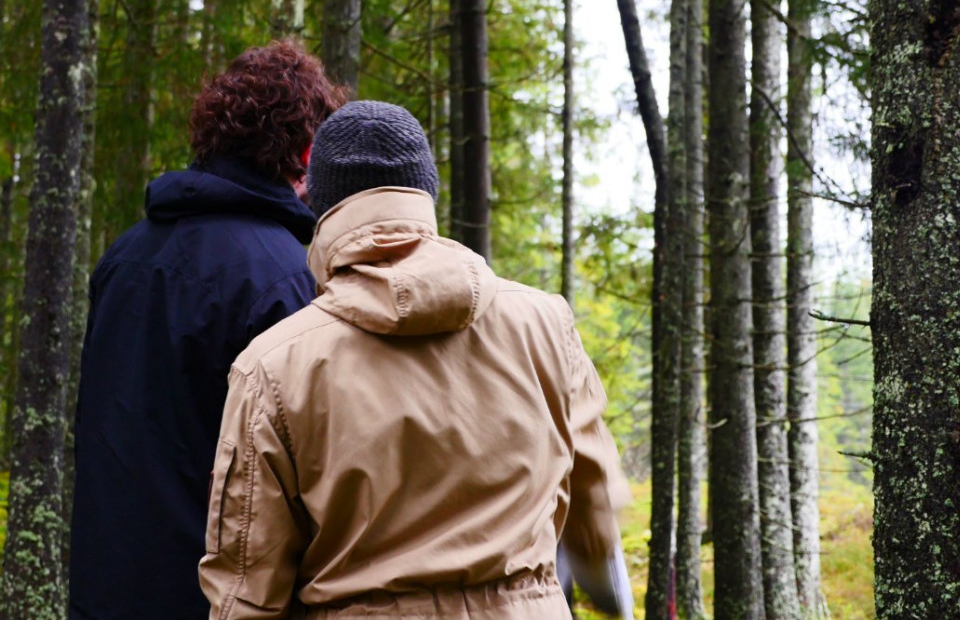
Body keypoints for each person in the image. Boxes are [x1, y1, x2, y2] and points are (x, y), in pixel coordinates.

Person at [199, 101, 633, 620]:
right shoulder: (545, 324)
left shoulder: (272, 366)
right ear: (425, 192)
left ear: (321, 203)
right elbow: (595, 509)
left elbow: (247, 585)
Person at [69, 41, 344, 620]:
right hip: (216, 599)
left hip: (106, 590)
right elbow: (307, 480)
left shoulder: (123, 258)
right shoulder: (284, 277)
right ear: (305, 153)